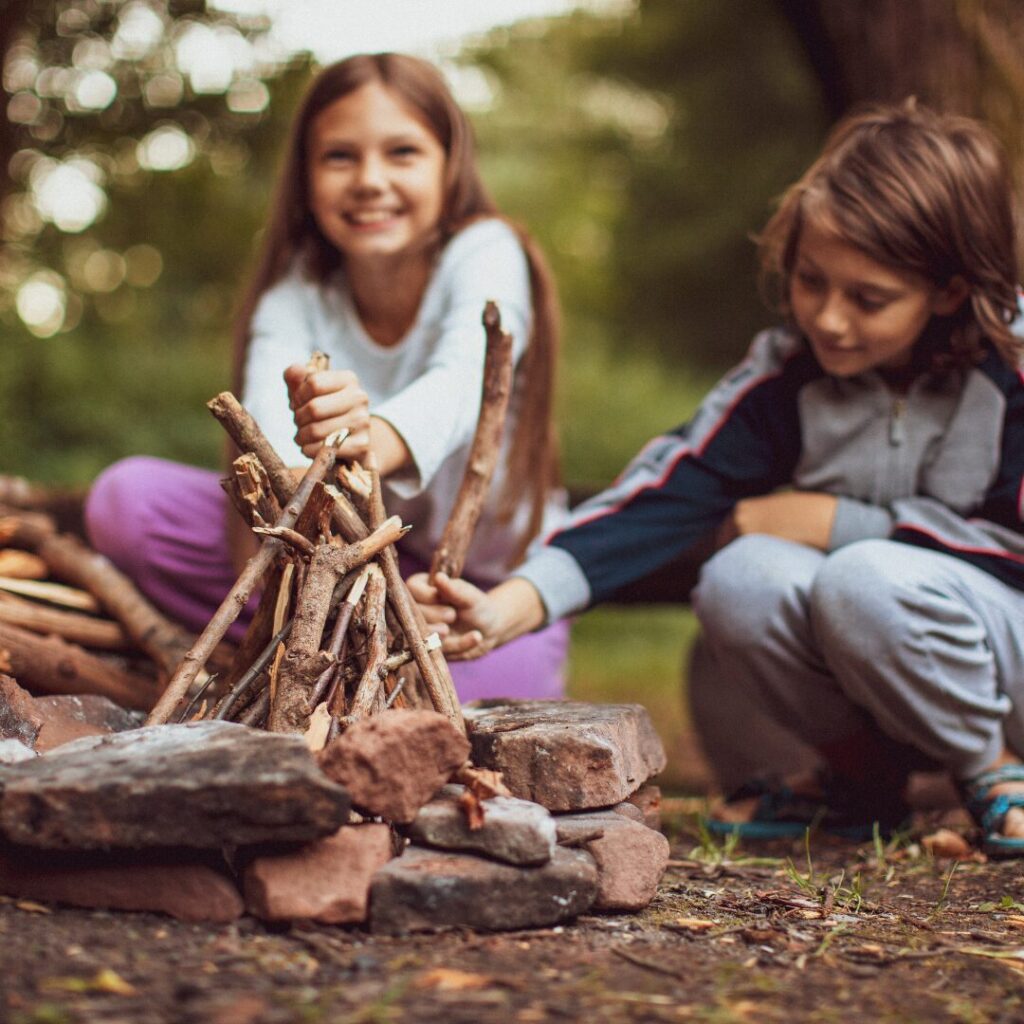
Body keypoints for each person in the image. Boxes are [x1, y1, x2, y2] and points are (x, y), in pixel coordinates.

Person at [412, 101, 1024, 854]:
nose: (829, 319)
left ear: (951, 292)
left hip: (1005, 655)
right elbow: (664, 496)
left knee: (863, 573)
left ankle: (995, 771)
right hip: (898, 652)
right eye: (811, 282)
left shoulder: (1012, 371)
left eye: (869, 299)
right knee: (740, 575)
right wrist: (510, 604)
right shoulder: (788, 378)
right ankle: (862, 786)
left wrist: (839, 525)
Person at [85, 53, 568, 703]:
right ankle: (347, 642)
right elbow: (270, 461)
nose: (370, 180)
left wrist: (370, 436)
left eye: (403, 153)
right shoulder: (295, 295)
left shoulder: (487, 251)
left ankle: (337, 654)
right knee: (128, 502)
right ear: (306, 177)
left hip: (472, 586)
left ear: (450, 165)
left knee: (495, 688)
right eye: (340, 157)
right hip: (333, 566)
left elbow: (464, 382)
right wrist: (313, 513)